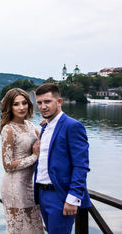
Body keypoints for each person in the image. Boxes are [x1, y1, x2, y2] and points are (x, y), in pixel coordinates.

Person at [34, 83, 91, 233]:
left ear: (59, 102)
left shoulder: (73, 126)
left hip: (60, 195)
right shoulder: (45, 126)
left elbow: (81, 165)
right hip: (42, 194)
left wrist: (73, 198)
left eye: (47, 101)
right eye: (39, 103)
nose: (43, 106)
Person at [0, 88, 44, 234]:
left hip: (30, 185)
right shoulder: (8, 129)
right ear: (9, 107)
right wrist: (34, 157)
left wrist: (49, 124)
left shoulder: (30, 125)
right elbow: (7, 165)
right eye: (16, 104)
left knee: (36, 229)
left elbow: (44, 142)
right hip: (14, 187)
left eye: (24, 103)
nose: (21, 107)